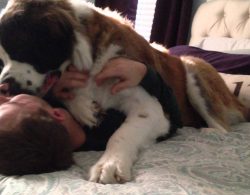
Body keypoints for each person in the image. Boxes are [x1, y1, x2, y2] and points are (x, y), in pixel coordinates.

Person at [0, 58, 182, 176]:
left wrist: (52, 82)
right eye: (10, 102)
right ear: (57, 113)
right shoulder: (108, 128)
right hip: (159, 70)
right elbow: (173, 121)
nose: (4, 94)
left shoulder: (44, 124)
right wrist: (144, 72)